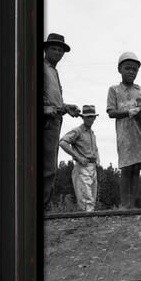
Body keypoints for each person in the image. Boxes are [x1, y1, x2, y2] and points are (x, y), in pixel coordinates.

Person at [107, 52, 141, 210]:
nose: (131, 72)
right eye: (127, 68)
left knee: (137, 167)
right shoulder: (114, 90)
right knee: (126, 167)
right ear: (119, 69)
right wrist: (129, 112)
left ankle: (132, 204)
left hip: (140, 132)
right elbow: (111, 112)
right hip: (124, 133)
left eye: (134, 69)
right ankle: (123, 204)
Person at [42, 33, 80, 210]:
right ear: (46, 49)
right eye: (54, 49)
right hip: (45, 121)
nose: (57, 52)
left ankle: (45, 206)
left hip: (55, 120)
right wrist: (51, 109)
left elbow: (52, 100)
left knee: (51, 167)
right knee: (46, 167)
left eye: (60, 50)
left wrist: (65, 107)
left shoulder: (53, 71)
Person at [59, 105, 100, 212]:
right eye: (88, 117)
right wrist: (78, 156)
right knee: (87, 201)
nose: (90, 119)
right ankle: (88, 225)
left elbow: (95, 149)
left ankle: (88, 225)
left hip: (93, 167)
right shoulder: (78, 131)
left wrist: (98, 160)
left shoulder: (92, 133)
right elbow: (63, 143)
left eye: (92, 117)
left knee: (92, 200)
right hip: (82, 167)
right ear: (83, 118)